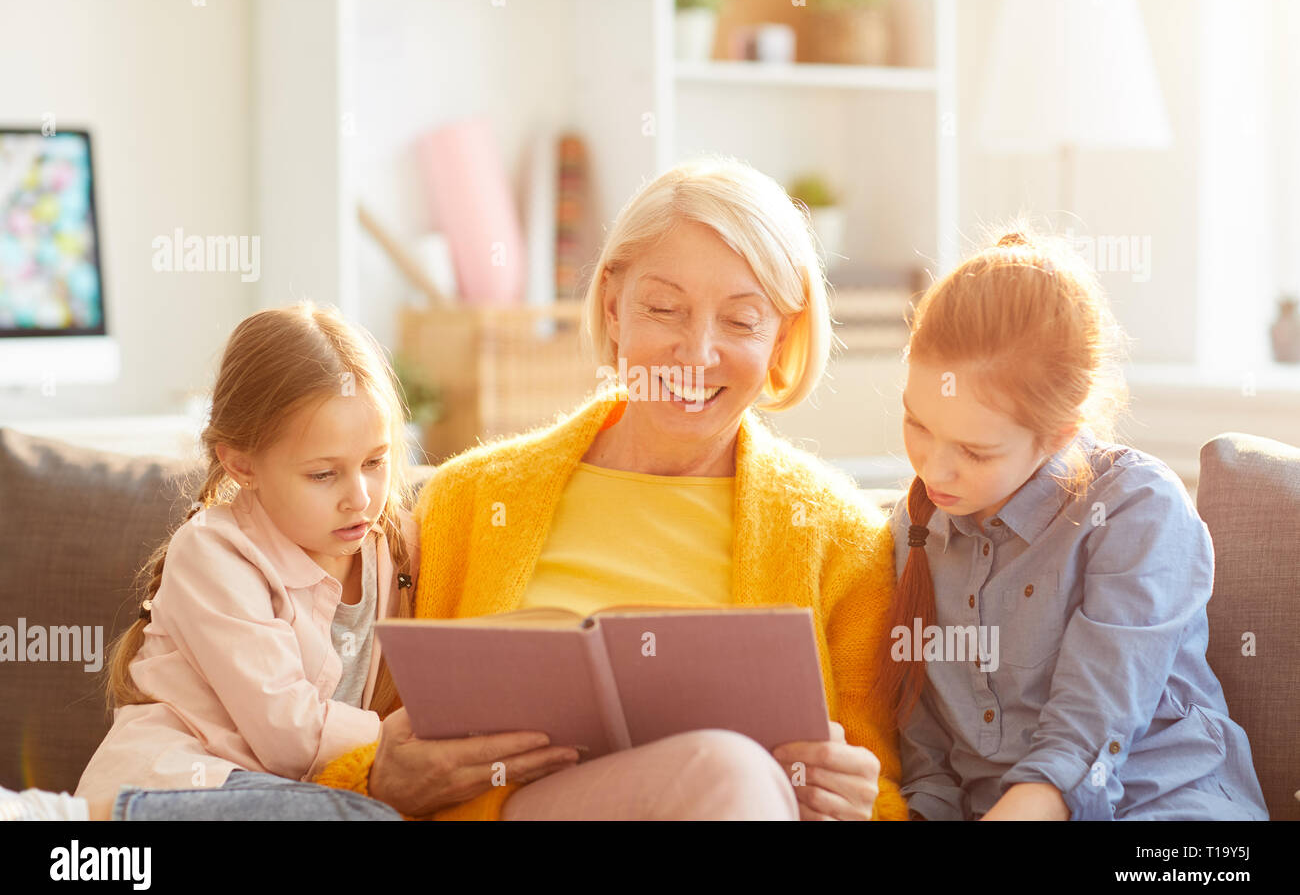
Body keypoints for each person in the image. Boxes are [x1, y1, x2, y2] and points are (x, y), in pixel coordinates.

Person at [309, 155, 907, 820]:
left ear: (783, 338)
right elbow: (348, 748)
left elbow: (879, 794)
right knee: (728, 769)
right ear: (614, 305)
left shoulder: (843, 541)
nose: (697, 351)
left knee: (732, 774)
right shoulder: (467, 503)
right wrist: (382, 778)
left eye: (740, 321)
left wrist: (853, 802)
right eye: (664, 308)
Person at [5, 301, 576, 821]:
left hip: (295, 796)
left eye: (375, 462)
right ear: (242, 465)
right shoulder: (213, 555)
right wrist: (404, 740)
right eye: (323, 474)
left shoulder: (390, 545)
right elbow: (289, 735)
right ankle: (49, 821)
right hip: (172, 790)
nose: (359, 496)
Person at [879, 229, 1269, 821]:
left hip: (1169, 807)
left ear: (1059, 433)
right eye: (917, 424)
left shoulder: (1138, 507)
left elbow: (1085, 738)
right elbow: (928, 766)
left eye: (976, 450)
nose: (934, 469)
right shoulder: (915, 530)